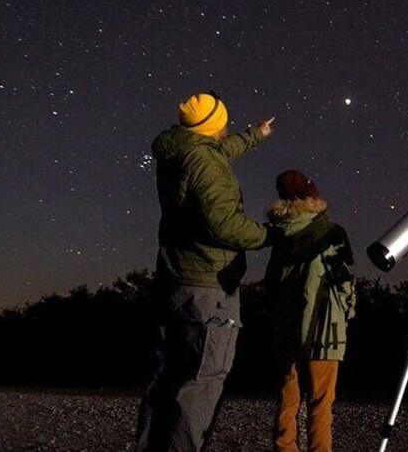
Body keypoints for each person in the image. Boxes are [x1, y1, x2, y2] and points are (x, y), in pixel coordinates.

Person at [136, 90, 274, 452]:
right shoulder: (205, 162)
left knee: (166, 378)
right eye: (224, 123)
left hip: (175, 280)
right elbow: (224, 224)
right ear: (214, 125)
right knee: (202, 381)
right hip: (208, 287)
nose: (227, 128)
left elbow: (219, 151)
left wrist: (254, 135)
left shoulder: (180, 151)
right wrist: (269, 235)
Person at [264, 170, 357, 452]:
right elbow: (343, 282)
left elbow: (271, 284)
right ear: (311, 194)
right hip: (324, 330)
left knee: (287, 401)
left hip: (286, 332)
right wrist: (348, 312)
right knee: (320, 405)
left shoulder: (278, 234)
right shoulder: (330, 231)